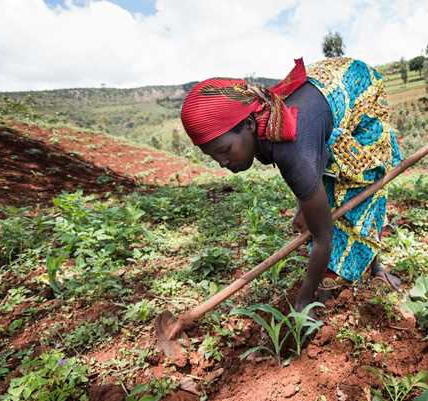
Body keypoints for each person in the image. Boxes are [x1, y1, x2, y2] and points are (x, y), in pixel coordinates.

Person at [168, 57, 403, 339]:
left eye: (224, 149)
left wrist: (304, 303)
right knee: (319, 191)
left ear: (249, 126)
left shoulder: (292, 147)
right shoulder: (267, 122)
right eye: (212, 156)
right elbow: (308, 157)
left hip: (358, 87)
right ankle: (354, 260)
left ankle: (377, 267)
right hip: (320, 97)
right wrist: (305, 206)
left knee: (366, 185)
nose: (221, 162)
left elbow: (322, 238)